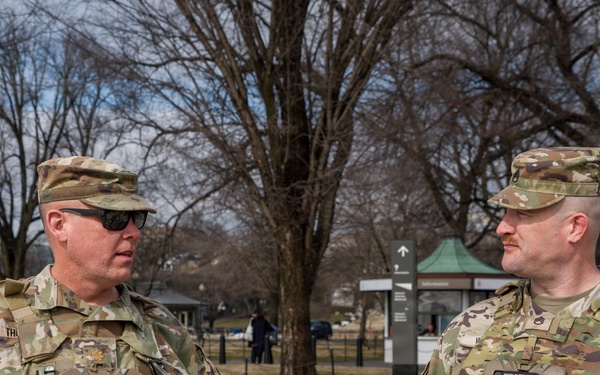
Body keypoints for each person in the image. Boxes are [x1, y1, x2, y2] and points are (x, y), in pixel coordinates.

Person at [0, 156, 219, 374]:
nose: (134, 233)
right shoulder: (5, 316)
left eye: (137, 218)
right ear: (59, 225)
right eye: (115, 218)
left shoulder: (163, 325)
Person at [423, 147, 600, 374]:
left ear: (575, 227)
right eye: (505, 213)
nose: (501, 228)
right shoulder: (470, 327)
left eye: (523, 214)